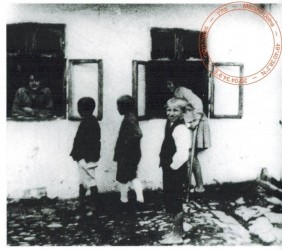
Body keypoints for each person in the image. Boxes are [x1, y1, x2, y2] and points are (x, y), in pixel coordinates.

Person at [166, 80, 211, 193]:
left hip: (196, 123)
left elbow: (198, 103)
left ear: (175, 83)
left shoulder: (183, 90)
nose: (169, 86)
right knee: (187, 154)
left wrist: (196, 120)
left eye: (171, 83)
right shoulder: (175, 94)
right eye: (167, 85)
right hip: (189, 124)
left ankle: (200, 186)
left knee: (191, 155)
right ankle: (188, 185)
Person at [159, 98, 192, 245]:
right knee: (170, 200)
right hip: (170, 169)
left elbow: (183, 154)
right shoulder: (171, 124)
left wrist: (172, 167)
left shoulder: (181, 129)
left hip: (176, 171)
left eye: (175, 110)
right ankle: (178, 229)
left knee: (175, 202)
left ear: (182, 112)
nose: (171, 113)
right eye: (169, 110)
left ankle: (177, 235)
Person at [70, 97, 101, 217]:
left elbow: (88, 142)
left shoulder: (89, 123)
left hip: (86, 158)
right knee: (84, 180)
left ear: (83, 110)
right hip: (86, 157)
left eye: (79, 108)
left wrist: (80, 156)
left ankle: (94, 206)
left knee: (90, 180)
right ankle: (82, 203)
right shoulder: (90, 121)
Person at [114, 95, 144, 213]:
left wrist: (126, 143)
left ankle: (124, 201)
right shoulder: (129, 117)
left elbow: (138, 134)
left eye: (119, 106)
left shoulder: (130, 118)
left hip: (128, 154)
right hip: (130, 153)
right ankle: (139, 200)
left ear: (125, 107)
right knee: (131, 176)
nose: (117, 108)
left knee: (123, 177)